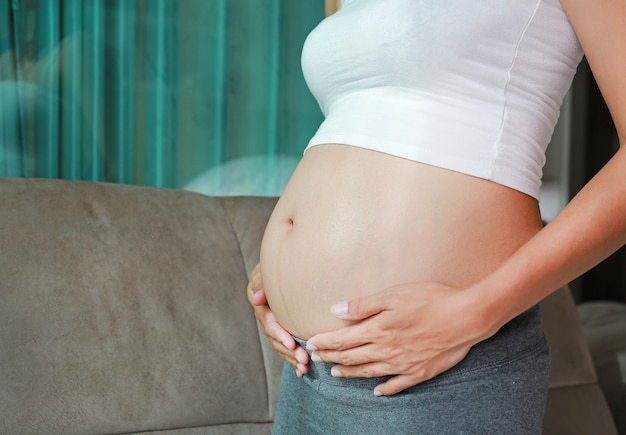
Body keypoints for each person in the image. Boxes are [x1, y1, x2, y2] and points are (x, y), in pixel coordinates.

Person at [248, 0, 626, 433]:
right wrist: (286, 265)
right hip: (306, 366)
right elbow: (359, 122)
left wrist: (475, 313)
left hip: (434, 363)